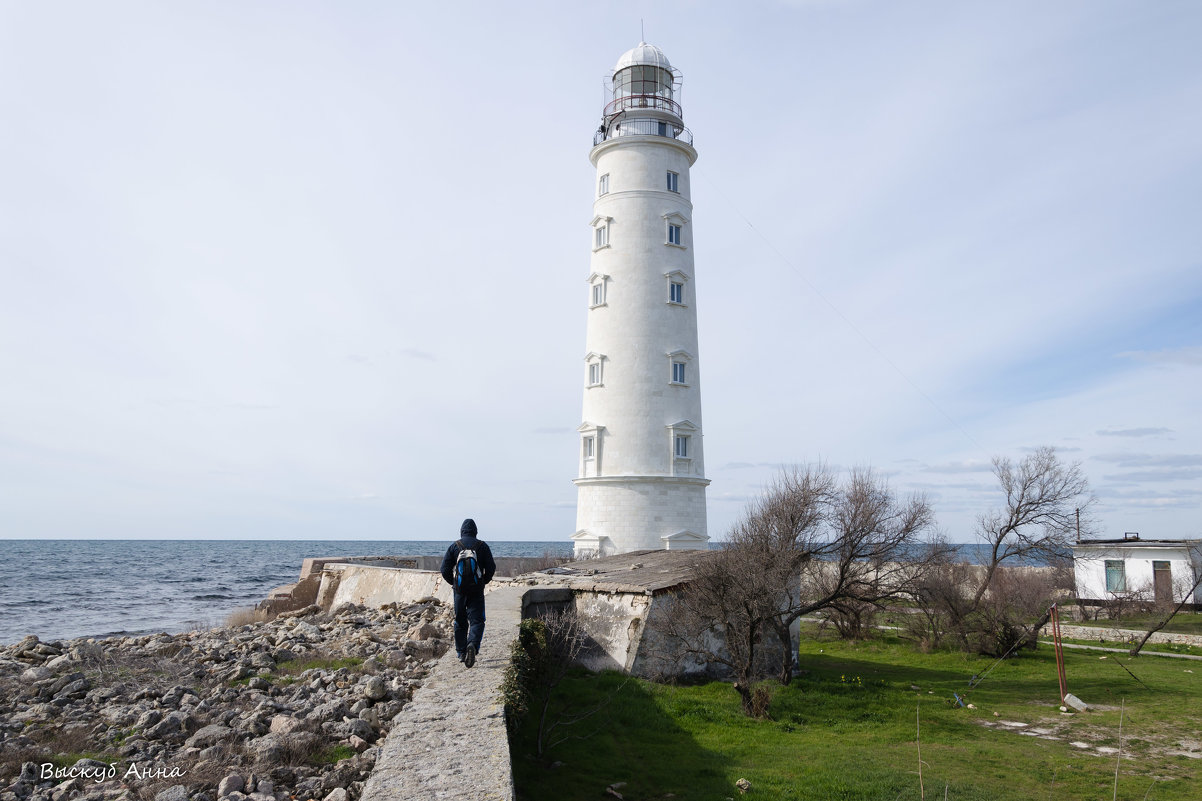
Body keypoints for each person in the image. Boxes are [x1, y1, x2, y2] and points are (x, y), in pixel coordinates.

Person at [440, 518, 496, 668]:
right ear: (475, 532)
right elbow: (491, 568)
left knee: (460, 620)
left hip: (459, 591)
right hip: (476, 590)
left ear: (461, 531)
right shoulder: (482, 546)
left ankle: (461, 652)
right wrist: (483, 581)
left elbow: (444, 569)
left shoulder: (455, 546)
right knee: (477, 620)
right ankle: (472, 644)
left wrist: (454, 583)